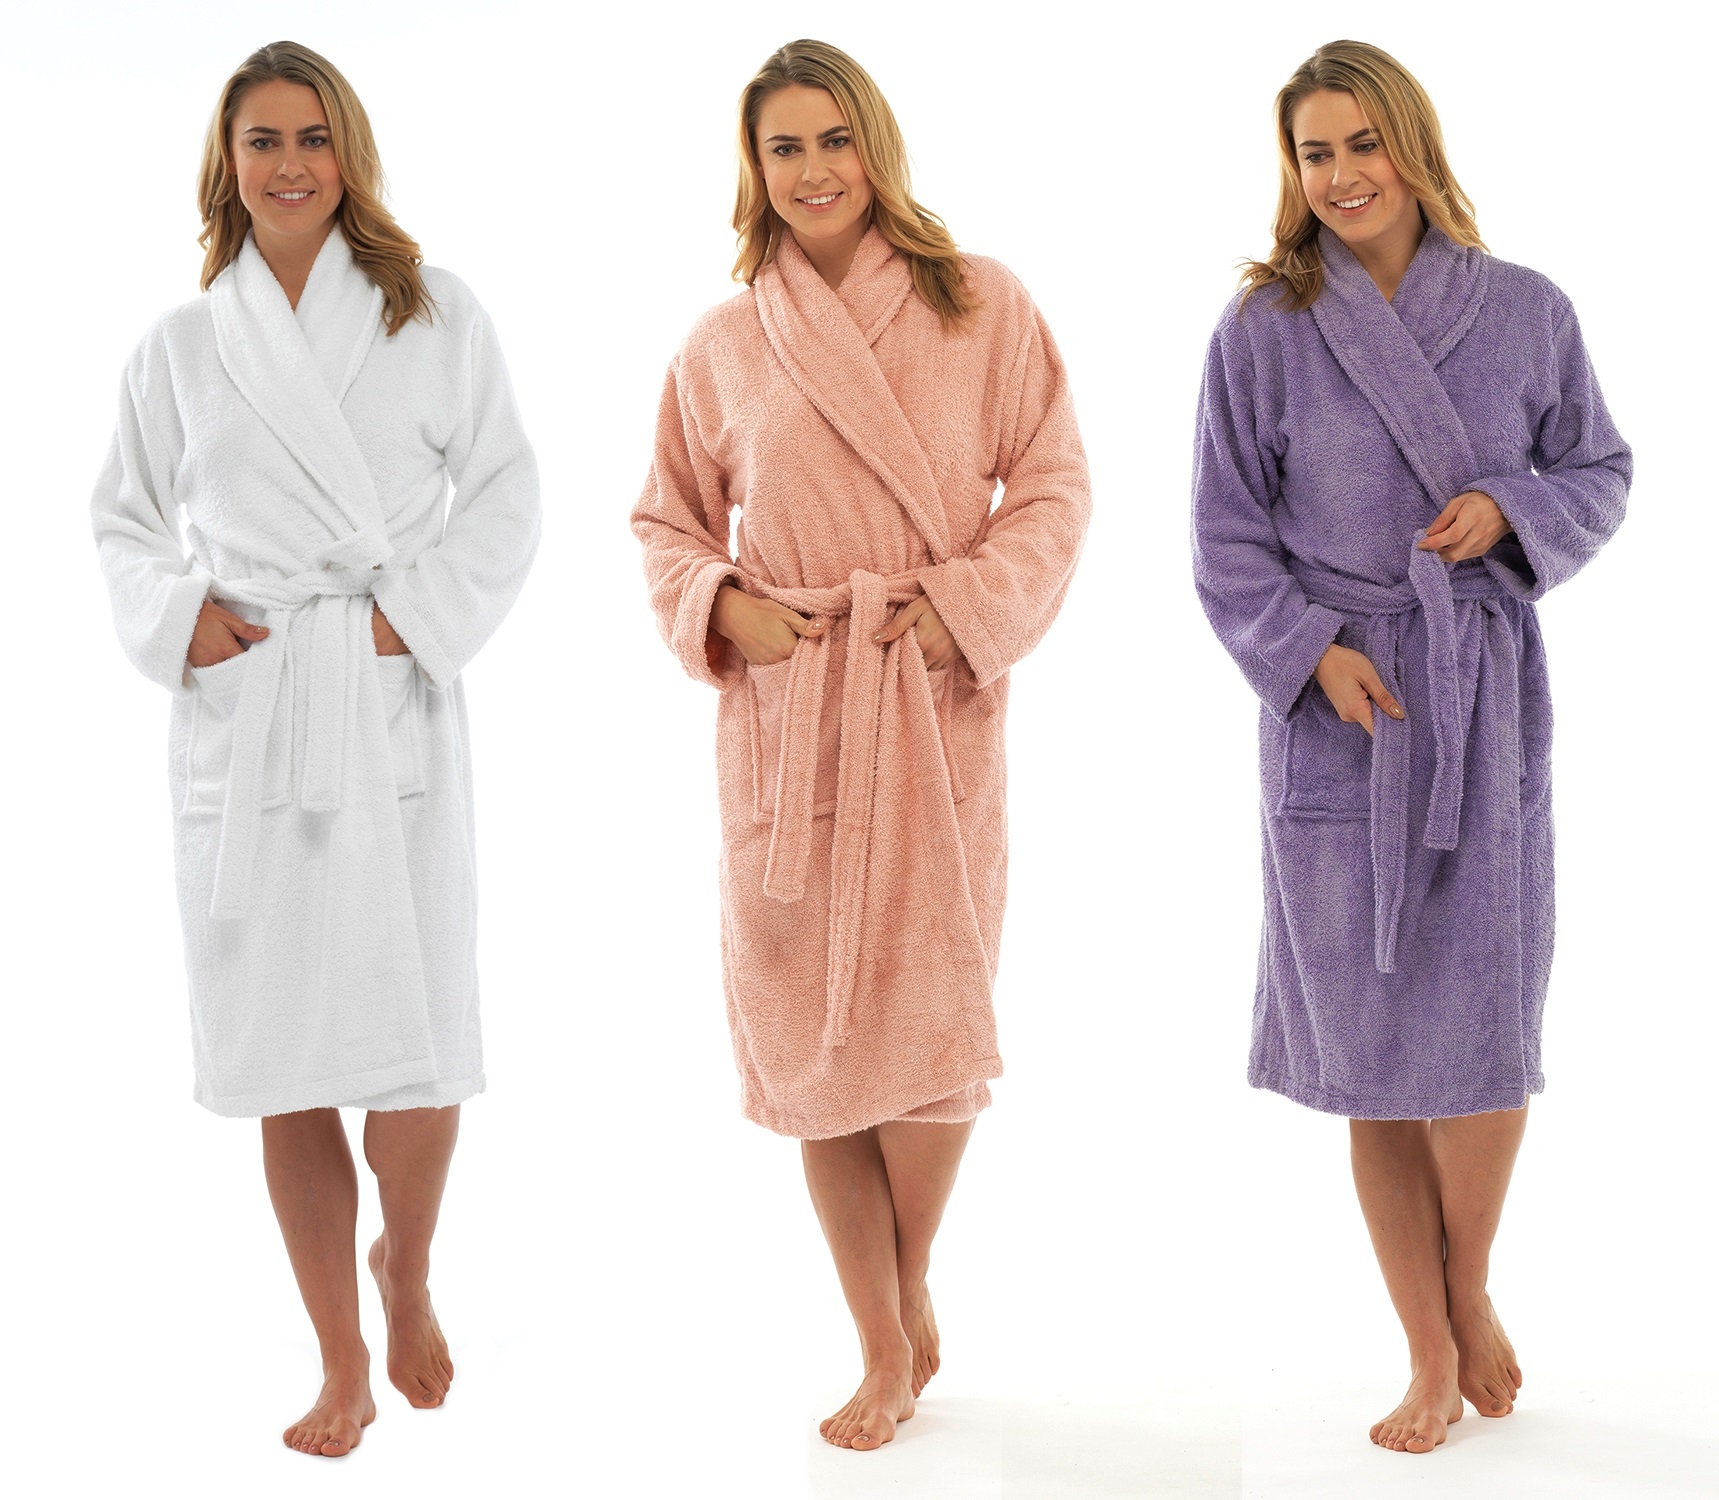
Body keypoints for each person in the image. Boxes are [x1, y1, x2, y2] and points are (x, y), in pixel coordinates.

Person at [632, 39, 1089, 1452]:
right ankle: (883, 1339)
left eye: (834, 139)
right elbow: (664, 520)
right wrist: (724, 610)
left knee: (935, 1032)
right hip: (791, 725)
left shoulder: (981, 303)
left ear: (875, 145)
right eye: (785, 148)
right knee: (812, 1043)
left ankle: (908, 1277)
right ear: (754, 169)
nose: (814, 169)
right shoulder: (721, 344)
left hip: (929, 708)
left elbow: (1055, 487)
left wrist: (962, 614)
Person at [90, 40, 540, 1458]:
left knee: (418, 1056)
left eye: (312, 137)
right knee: (285, 1062)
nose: (289, 164)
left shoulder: (432, 314)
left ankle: (406, 1264)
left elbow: (508, 491)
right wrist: (186, 621)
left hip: (385, 702)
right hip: (255, 721)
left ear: (349, 152)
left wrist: (412, 621)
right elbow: (120, 520)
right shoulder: (181, 345)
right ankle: (340, 1356)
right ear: (227, 163)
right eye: (262, 140)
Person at [1192, 39, 1629, 1455]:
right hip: (1345, 709)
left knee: (1487, 1034)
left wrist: (1511, 507)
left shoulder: (1527, 310)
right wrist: (1308, 652)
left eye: (1362, 143)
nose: (1342, 175)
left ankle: (1469, 1282)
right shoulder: (1264, 329)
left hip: (1482, 700)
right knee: (1371, 1043)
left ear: (1414, 144)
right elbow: (1223, 534)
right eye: (1314, 153)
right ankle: (1429, 1345)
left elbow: (1601, 469)